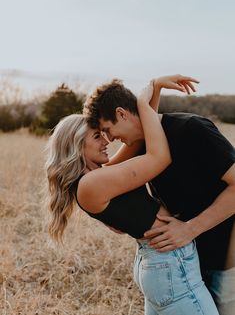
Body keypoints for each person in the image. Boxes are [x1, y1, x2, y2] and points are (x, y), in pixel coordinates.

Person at [45, 76, 219, 315]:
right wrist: (143, 102)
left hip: (160, 263)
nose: (106, 141)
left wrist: (154, 88)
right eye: (97, 136)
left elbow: (143, 134)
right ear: (77, 146)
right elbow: (159, 157)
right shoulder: (91, 185)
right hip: (169, 263)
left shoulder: (100, 176)